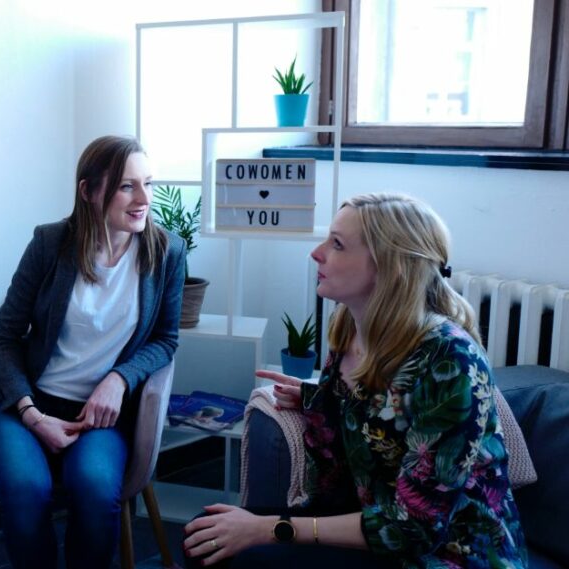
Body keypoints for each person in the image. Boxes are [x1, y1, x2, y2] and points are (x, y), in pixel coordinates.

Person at [182, 193, 527, 568]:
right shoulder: (348, 327)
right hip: (375, 526)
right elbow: (380, 414)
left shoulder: (449, 359)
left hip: (443, 552)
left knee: (241, 555)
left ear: (390, 267)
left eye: (337, 244)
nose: (317, 253)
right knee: (205, 533)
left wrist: (270, 528)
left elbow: (416, 527)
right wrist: (321, 397)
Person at [0, 135, 187, 569]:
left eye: (148, 182)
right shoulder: (51, 244)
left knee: (94, 489)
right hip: (21, 403)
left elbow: (166, 339)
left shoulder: (167, 251)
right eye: (127, 186)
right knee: (27, 490)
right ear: (89, 192)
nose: (145, 198)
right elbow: (4, 336)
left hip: (99, 414)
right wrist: (31, 412)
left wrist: (118, 379)